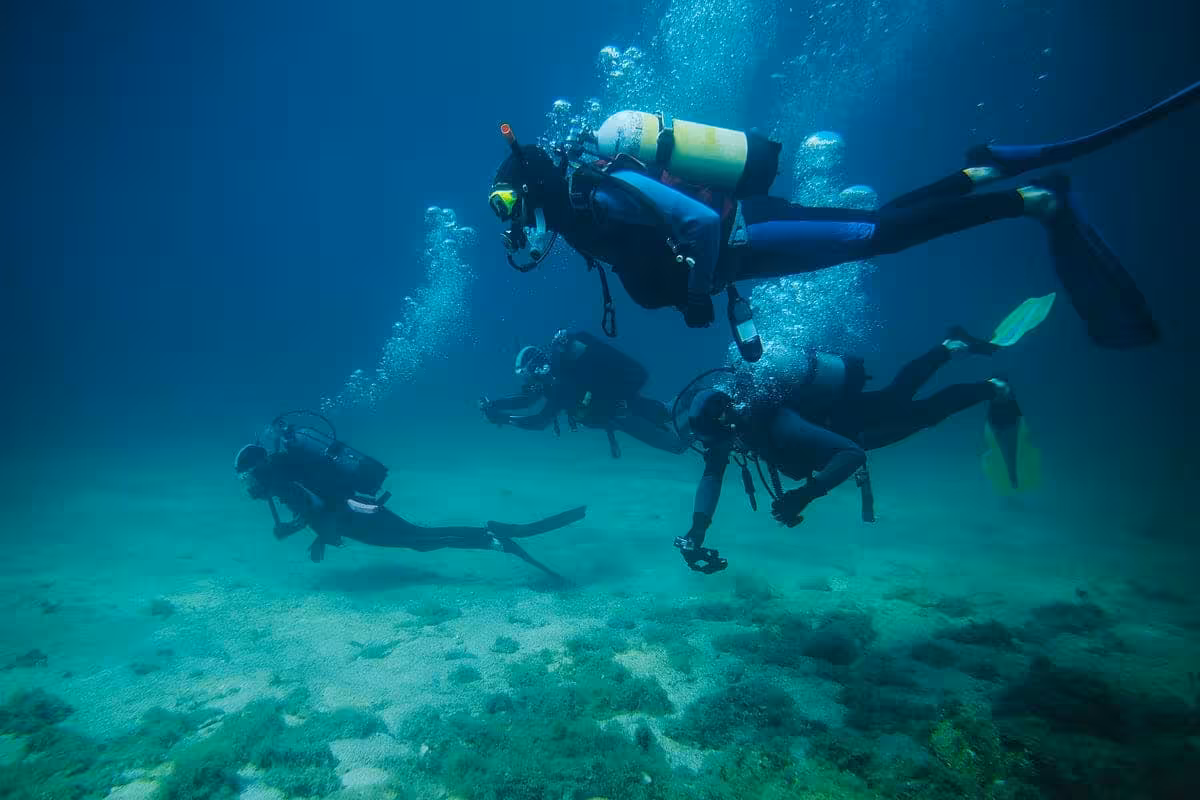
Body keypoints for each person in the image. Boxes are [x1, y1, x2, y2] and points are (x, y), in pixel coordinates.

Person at [486, 80, 1200, 351]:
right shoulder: (586, 213)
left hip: (750, 231)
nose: (520, 237)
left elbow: (700, 228)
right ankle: (979, 172)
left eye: (512, 218)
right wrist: (706, 298)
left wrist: (702, 287)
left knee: (877, 236)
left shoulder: (599, 196)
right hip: (749, 245)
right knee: (878, 231)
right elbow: (667, 252)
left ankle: (1024, 199)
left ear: (532, 199)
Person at [673, 299, 1051, 574]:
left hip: (854, 427)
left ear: (726, 420)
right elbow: (712, 476)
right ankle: (949, 348)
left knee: (922, 412)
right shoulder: (730, 426)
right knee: (900, 396)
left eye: (713, 440)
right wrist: (696, 531)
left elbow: (852, 454)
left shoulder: (774, 422)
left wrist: (806, 494)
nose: (714, 449)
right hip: (841, 421)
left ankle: (993, 386)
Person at [234, 412, 585, 579]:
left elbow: (314, 504)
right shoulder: (282, 469)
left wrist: (306, 532)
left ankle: (495, 537)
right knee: (417, 538)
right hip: (353, 511)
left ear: (255, 467)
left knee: (418, 539)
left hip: (353, 514)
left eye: (247, 477)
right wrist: (319, 537)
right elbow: (314, 501)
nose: (249, 486)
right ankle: (492, 537)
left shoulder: (277, 475)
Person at [479, 329, 689, 458]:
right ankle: (701, 397)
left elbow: (539, 421)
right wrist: (495, 405)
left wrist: (504, 419)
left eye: (529, 379)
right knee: (667, 411)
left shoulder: (559, 384)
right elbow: (526, 401)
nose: (530, 385)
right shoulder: (555, 379)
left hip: (624, 415)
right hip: (621, 411)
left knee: (677, 443)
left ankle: (707, 403)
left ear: (536, 370)